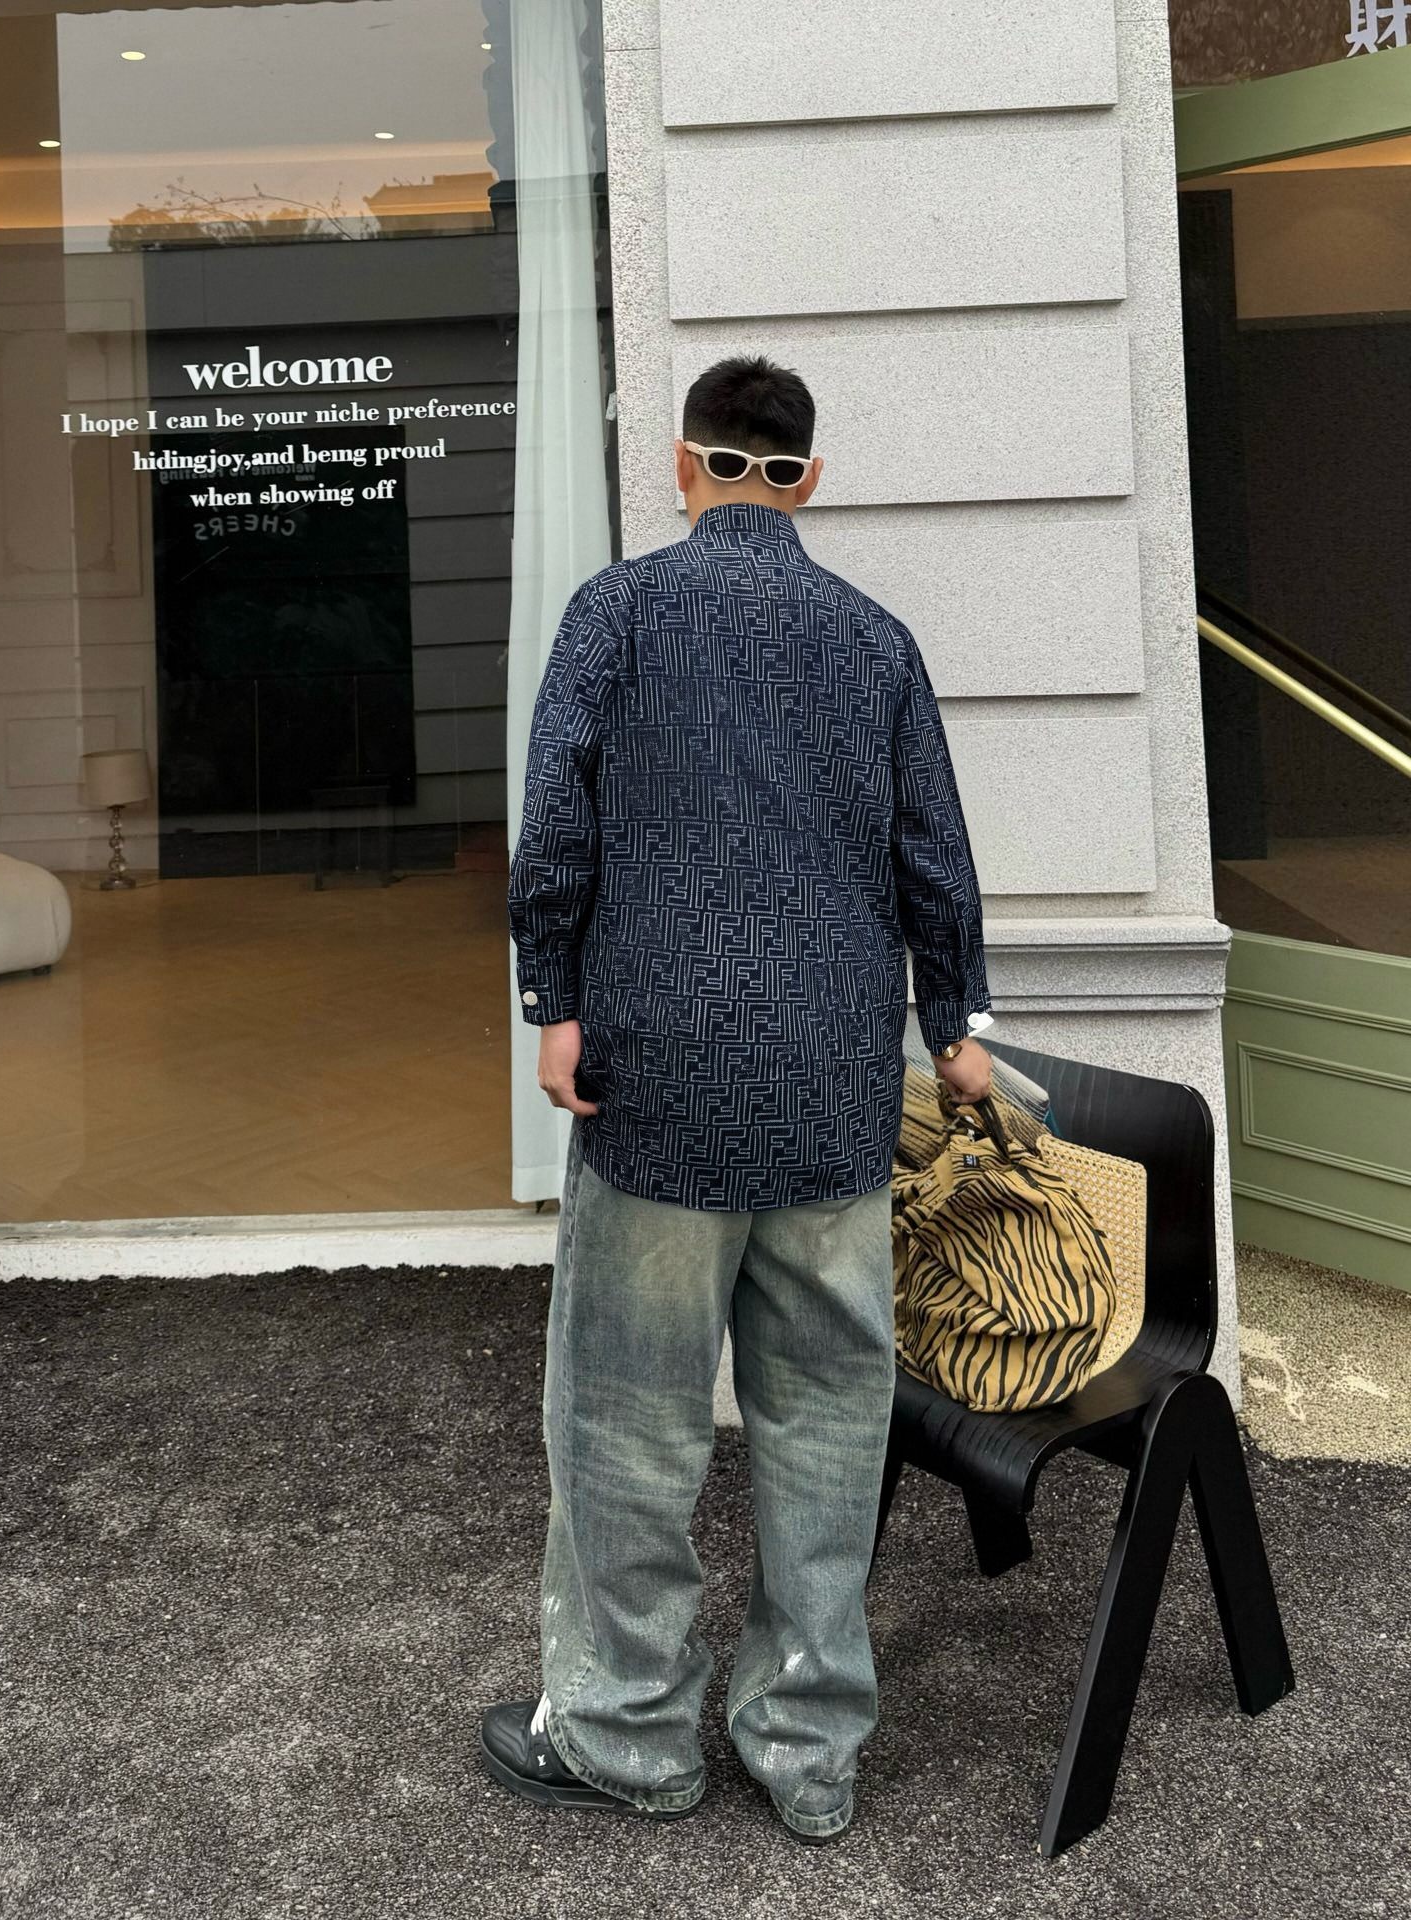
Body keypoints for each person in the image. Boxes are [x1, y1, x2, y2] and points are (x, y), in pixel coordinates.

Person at [484, 354, 992, 1842]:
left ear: (683, 467)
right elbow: (934, 851)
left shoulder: (616, 612)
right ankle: (808, 1751)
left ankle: (630, 1736)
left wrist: (551, 1002)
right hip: (832, 1088)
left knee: (628, 1423)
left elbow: (555, 828)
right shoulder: (875, 639)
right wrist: (956, 1024)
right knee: (828, 1424)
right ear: (808, 480)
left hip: (657, 1084)